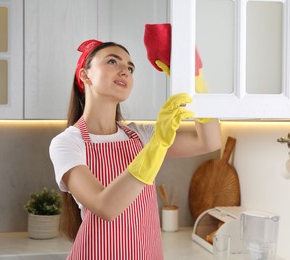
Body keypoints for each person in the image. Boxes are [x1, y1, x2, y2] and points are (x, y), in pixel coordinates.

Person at [49, 39, 221, 260]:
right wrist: (157, 146)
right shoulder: (67, 143)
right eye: (113, 61)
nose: (125, 71)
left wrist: (195, 81)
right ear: (85, 75)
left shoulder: (139, 135)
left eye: (130, 68)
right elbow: (106, 206)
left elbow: (209, 141)